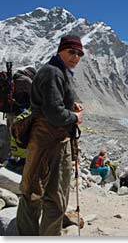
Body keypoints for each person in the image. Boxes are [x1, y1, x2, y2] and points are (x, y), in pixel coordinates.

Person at [16, 35, 85, 236]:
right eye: (71, 51)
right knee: (33, 193)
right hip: (45, 139)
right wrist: (75, 117)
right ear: (60, 50)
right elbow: (54, 112)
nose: (76, 56)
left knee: (56, 196)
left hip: (57, 139)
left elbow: (55, 103)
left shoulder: (61, 72)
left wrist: (71, 106)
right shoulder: (52, 72)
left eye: (79, 53)